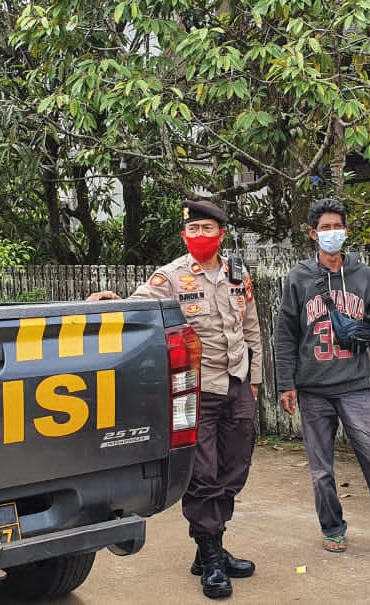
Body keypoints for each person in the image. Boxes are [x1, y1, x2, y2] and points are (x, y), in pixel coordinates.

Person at [87, 200, 261, 600]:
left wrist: (255, 382)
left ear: (221, 234)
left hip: (236, 386)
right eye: (193, 229)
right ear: (185, 235)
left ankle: (210, 546)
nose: (200, 236)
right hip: (196, 390)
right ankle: (211, 554)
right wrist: (113, 304)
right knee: (203, 476)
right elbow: (141, 306)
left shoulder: (239, 275)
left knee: (235, 471)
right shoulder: (170, 277)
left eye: (207, 229)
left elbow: (251, 328)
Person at [273, 198, 370, 557]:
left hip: (355, 387)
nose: (332, 234)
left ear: (346, 230)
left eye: (336, 227)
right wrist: (286, 384)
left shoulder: (362, 276)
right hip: (313, 390)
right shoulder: (298, 278)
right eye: (324, 228)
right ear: (313, 234)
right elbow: (285, 336)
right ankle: (333, 528)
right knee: (321, 470)